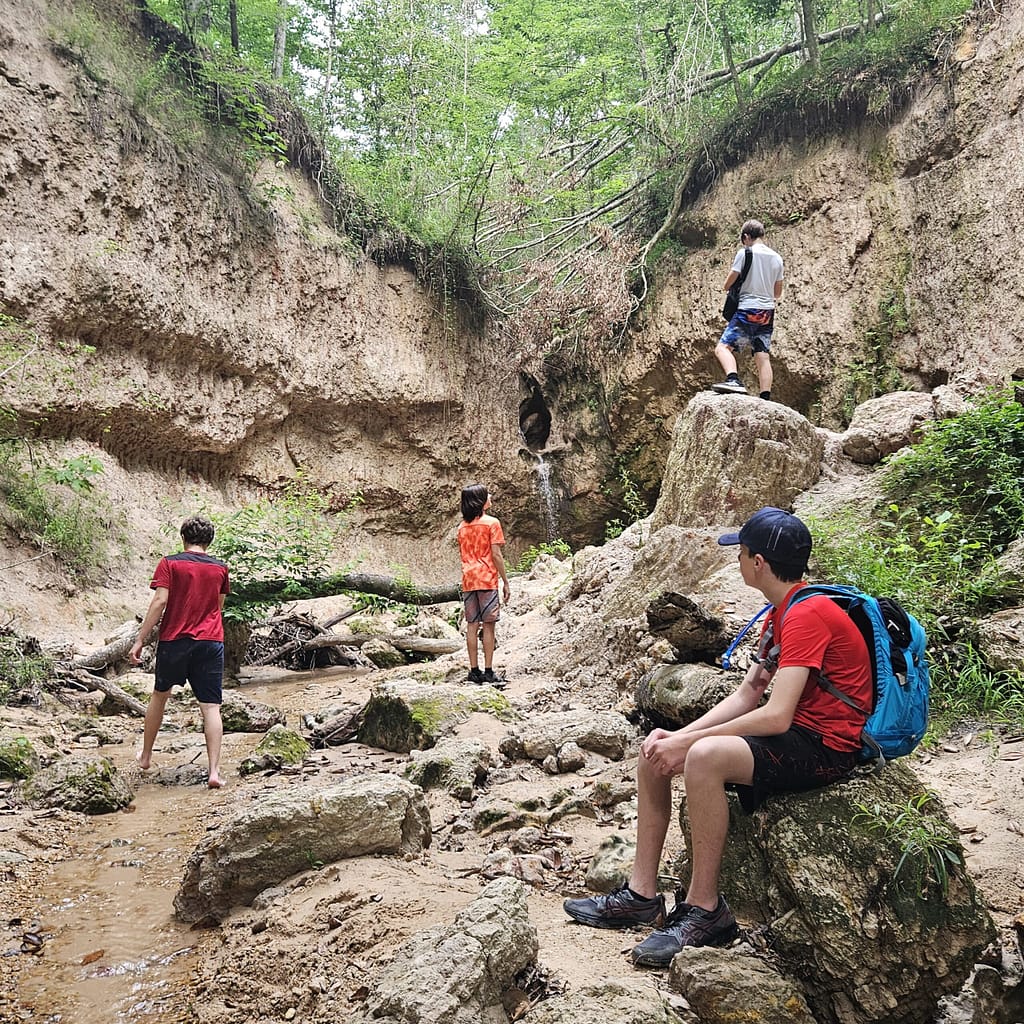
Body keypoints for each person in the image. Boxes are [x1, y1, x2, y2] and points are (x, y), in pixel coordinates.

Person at [564, 507, 871, 968]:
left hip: (828, 747)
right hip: (800, 734)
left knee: (704, 756)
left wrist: (690, 745)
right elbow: (749, 692)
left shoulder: (809, 615)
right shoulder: (783, 612)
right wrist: (676, 735)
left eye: (742, 552)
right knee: (654, 751)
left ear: (759, 563)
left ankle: (707, 910)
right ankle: (641, 895)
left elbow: (776, 716)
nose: (739, 560)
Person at [130, 515, 231, 789]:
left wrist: (140, 639)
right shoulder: (221, 569)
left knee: (160, 696)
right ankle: (213, 772)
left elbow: (160, 601)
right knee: (211, 707)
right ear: (209, 541)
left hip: (175, 640)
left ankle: (146, 757)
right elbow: (217, 606)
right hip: (210, 641)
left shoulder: (170, 563)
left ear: (183, 537)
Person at [713, 220, 784, 400]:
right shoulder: (777, 258)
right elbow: (777, 293)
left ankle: (733, 380)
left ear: (746, 237)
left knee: (723, 348)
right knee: (762, 354)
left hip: (747, 310)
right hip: (766, 313)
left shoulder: (745, 253)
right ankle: (765, 397)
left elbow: (727, 284)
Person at [457, 484, 511, 687]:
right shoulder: (492, 523)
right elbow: (496, 554)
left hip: (469, 580)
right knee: (488, 625)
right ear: (480, 500)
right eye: (487, 494)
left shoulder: (462, 527)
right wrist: (505, 581)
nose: (490, 496)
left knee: (472, 625)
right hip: (487, 578)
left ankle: (474, 671)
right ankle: (488, 671)